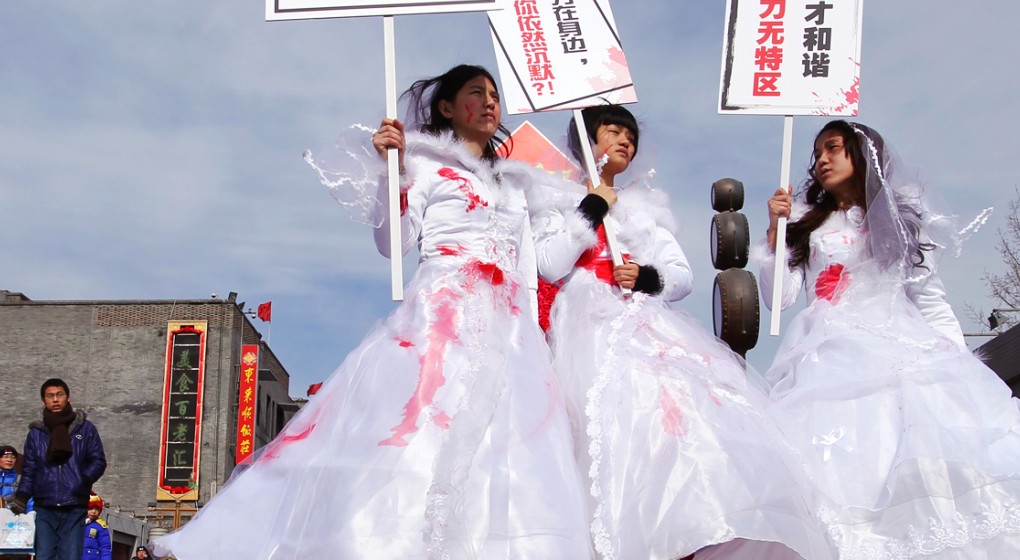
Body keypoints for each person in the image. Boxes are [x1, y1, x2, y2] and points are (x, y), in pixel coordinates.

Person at [155, 65, 591, 559]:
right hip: (444, 313)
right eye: (477, 93)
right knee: (417, 431)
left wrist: (588, 217)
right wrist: (393, 173)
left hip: (510, 329)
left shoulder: (516, 186)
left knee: (509, 450)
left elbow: (544, 266)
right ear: (447, 107)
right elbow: (394, 243)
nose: (491, 103)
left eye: (494, 95)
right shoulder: (423, 165)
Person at [531, 105, 835, 560]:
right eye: (611, 132)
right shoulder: (553, 200)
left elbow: (681, 275)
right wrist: (592, 208)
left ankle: (686, 529)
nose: (623, 142)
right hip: (585, 326)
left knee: (673, 422)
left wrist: (647, 277)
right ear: (585, 141)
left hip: (642, 322)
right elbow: (549, 264)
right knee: (600, 433)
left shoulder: (646, 207)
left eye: (629, 136)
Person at [761, 119, 1020, 558]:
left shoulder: (898, 223)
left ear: (863, 156)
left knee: (915, 460)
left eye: (834, 148)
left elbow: (930, 298)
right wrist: (776, 232)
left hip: (898, 344)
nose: (822, 160)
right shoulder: (807, 224)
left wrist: (960, 363)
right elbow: (778, 298)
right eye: (818, 153)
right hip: (825, 354)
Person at [5, 378, 106, 560]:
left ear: (68, 397)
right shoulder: (37, 433)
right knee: (45, 555)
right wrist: (21, 498)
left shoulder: (85, 429)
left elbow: (98, 461)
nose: (56, 400)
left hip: (74, 503)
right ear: (44, 400)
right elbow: (29, 469)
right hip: (45, 504)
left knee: (70, 555)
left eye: (60, 395)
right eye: (50, 396)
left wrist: (82, 480)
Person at [82, 494, 111, 560]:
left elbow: (105, 548)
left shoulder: (100, 526)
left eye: (97, 509)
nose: (94, 511)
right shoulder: (76, 523)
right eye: (91, 508)